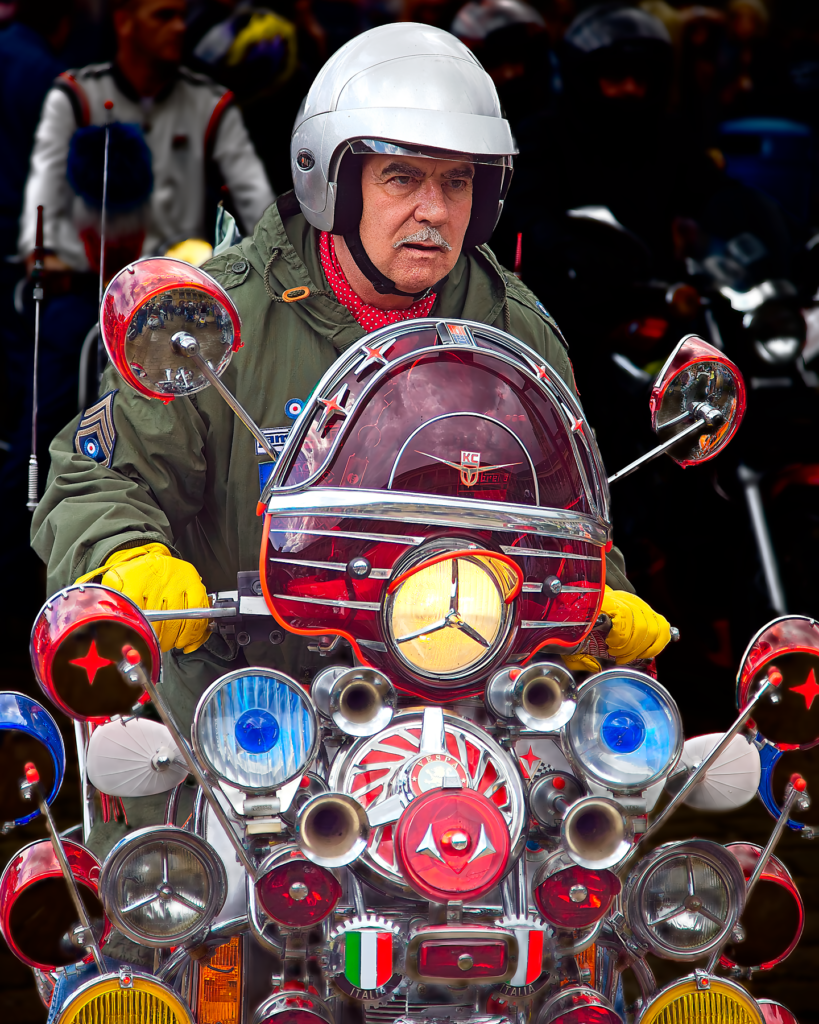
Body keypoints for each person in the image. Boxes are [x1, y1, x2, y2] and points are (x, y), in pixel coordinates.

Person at [31, 22, 670, 882]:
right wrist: (129, 556)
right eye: (400, 178)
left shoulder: (516, 329)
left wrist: (609, 596)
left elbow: (567, 519)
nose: (433, 211)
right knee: (172, 943)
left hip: (458, 735)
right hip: (249, 722)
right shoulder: (221, 317)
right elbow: (93, 472)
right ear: (332, 180)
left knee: (582, 911)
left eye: (456, 184)